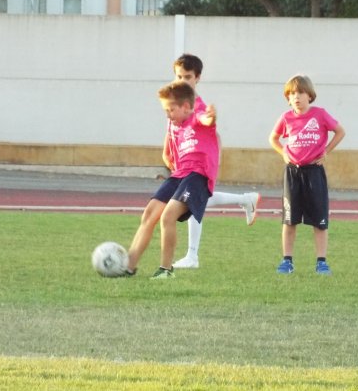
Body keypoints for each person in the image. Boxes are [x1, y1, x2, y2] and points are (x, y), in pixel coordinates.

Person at [169, 54, 260, 269]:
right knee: (199, 201)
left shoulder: (197, 106)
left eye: (188, 77)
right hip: (183, 165)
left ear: (197, 78)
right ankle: (246, 199)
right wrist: (169, 153)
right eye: (179, 76)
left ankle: (192, 256)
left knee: (190, 204)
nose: (183, 80)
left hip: (199, 165)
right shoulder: (174, 105)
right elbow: (174, 133)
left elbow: (205, 120)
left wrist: (211, 117)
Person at [125, 80, 219, 279]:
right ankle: (128, 267)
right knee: (149, 214)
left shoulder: (195, 118)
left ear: (186, 107)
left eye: (171, 110)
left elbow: (205, 120)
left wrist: (210, 117)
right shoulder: (179, 126)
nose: (168, 115)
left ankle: (166, 270)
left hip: (197, 176)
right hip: (179, 174)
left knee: (168, 216)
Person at [268, 74, 345, 275]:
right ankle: (287, 260)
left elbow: (340, 131)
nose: (296, 97)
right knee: (289, 219)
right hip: (293, 173)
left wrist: (325, 152)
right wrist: (283, 152)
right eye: (292, 94)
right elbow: (273, 138)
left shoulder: (319, 114)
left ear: (309, 95)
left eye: (301, 93)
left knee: (319, 219)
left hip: (314, 172)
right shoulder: (286, 117)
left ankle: (321, 261)